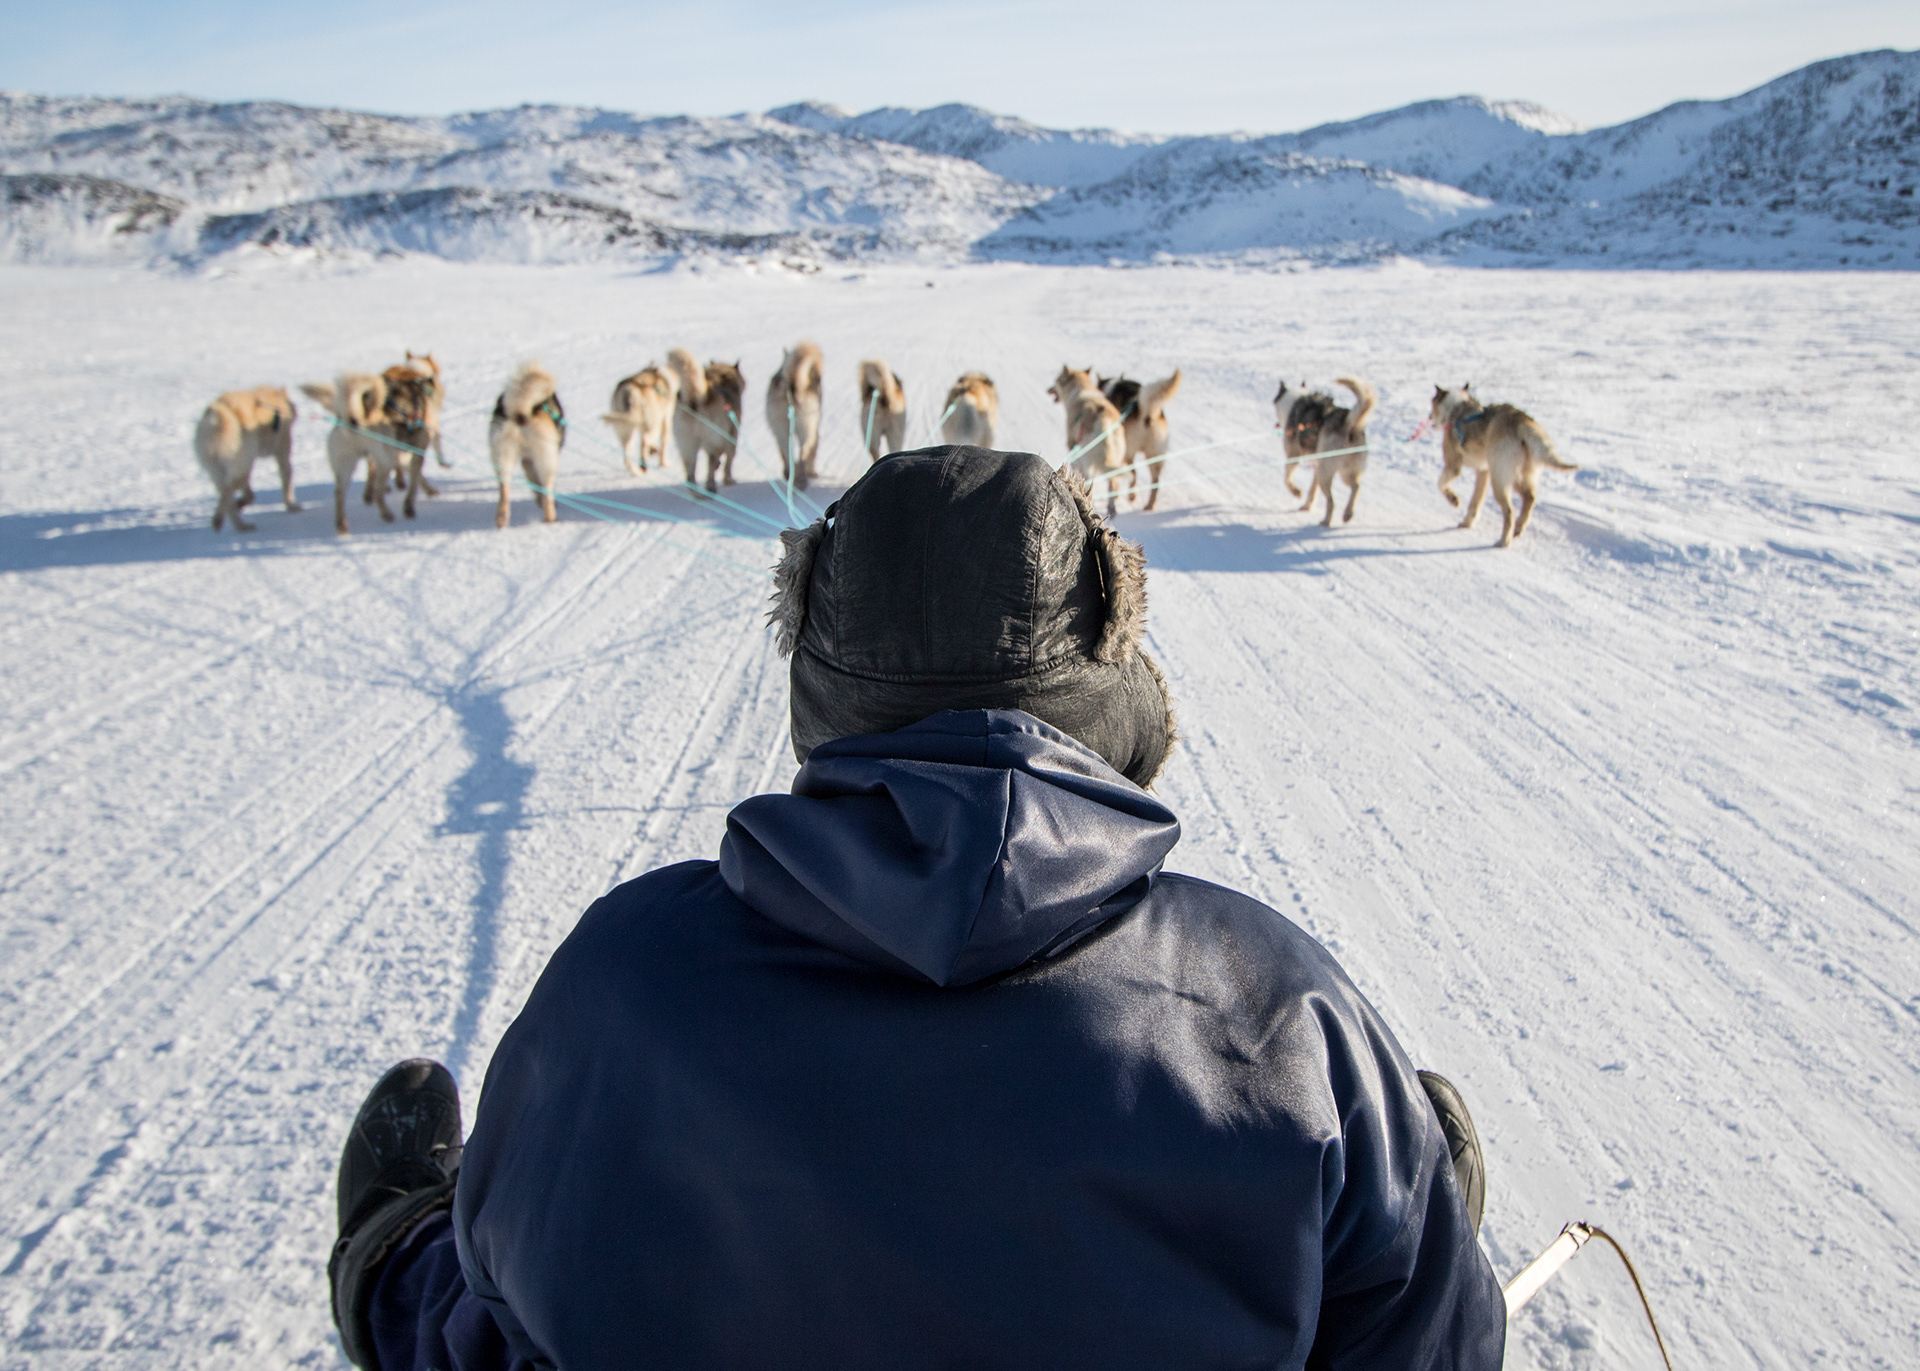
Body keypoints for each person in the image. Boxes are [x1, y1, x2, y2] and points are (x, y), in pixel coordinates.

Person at [327, 448, 1504, 1370]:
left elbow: (506, 1325)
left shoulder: (621, 983)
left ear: (820, 681)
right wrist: (1410, 1208)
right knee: (1398, 1172)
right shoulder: (1278, 1007)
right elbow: (1436, 1353)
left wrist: (399, 1260)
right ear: (1104, 677)